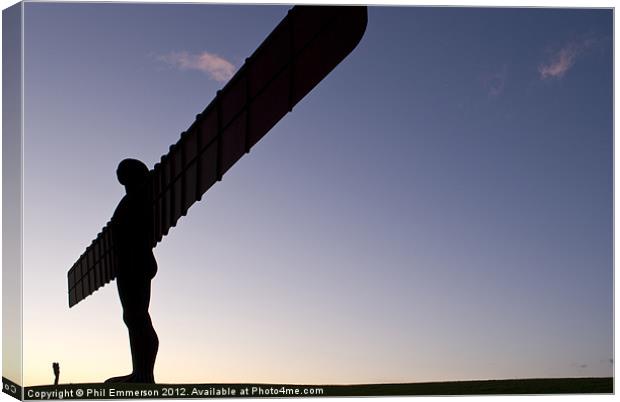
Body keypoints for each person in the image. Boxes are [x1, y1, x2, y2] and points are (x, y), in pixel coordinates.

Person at [105, 158, 159, 383]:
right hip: (127, 264)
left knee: (137, 316)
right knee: (132, 316)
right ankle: (140, 371)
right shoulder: (129, 200)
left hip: (137, 261)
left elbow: (138, 231)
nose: (120, 175)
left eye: (124, 171)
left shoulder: (142, 196)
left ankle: (144, 374)